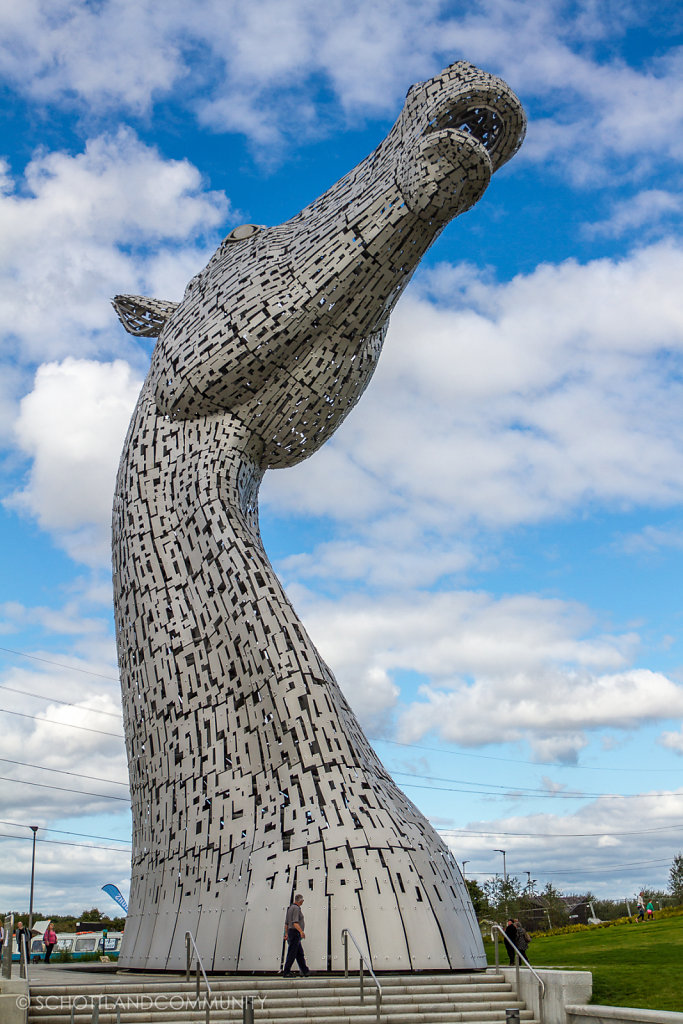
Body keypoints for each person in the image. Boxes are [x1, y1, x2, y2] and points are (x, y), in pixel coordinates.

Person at [283, 894, 310, 977]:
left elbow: (286, 923)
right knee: (292, 953)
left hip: (291, 932)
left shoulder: (290, 908)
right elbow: (295, 923)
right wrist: (301, 931)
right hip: (295, 933)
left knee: (299, 953)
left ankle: (305, 971)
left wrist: (286, 933)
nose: (303, 902)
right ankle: (286, 971)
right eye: (302, 900)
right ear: (300, 900)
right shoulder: (296, 908)